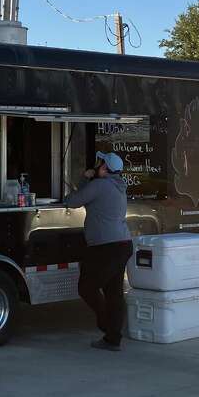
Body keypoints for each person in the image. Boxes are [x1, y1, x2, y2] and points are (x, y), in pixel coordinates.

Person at [63, 151, 134, 352]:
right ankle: (113, 338)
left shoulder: (99, 185)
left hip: (105, 247)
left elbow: (72, 200)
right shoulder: (118, 186)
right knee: (114, 292)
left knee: (87, 287)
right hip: (122, 243)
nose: (96, 165)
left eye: (99, 163)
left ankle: (106, 324)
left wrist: (84, 178)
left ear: (104, 168)